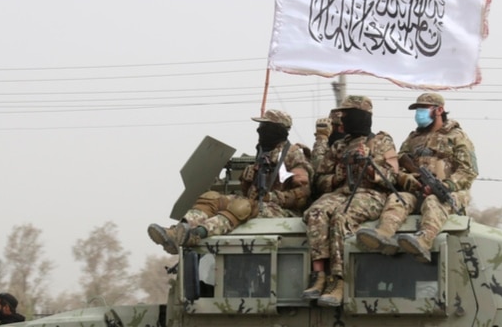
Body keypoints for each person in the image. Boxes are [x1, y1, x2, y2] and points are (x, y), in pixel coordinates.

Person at [148, 109, 312, 255]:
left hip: (285, 211)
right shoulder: (264, 154)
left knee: (241, 207)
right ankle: (176, 233)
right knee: (211, 198)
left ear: (277, 129)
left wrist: (272, 197)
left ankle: (198, 233)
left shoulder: (292, 154)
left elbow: (302, 194)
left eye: (265, 127)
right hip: (261, 205)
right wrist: (247, 180)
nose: (259, 130)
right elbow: (251, 192)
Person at [355, 92, 478, 263]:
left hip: (450, 194)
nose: (418, 113)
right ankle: (384, 234)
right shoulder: (413, 139)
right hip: (416, 191)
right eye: (417, 109)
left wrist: (447, 185)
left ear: (439, 110)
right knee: (397, 199)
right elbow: (399, 166)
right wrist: (409, 179)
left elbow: (468, 171)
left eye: (423, 109)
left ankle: (424, 240)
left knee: (433, 202)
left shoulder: (457, 137)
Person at [302, 95, 400, 306]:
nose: (342, 119)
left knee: (341, 217)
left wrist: (370, 165)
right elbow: (319, 179)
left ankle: (339, 280)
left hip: (371, 194)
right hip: (342, 192)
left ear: (359, 116)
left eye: (346, 115)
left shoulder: (382, 142)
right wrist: (338, 176)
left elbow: (393, 177)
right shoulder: (339, 146)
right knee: (315, 212)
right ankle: (318, 275)